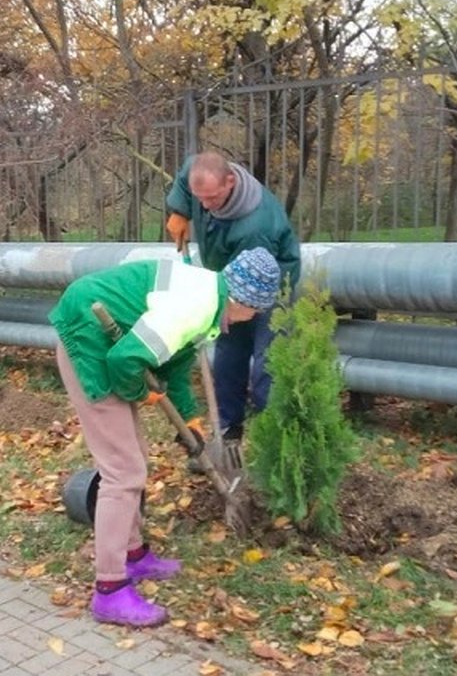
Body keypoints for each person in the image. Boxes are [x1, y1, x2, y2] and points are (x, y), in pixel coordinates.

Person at [49, 247, 282, 627]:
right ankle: (109, 590)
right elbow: (125, 361)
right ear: (241, 300)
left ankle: (134, 553)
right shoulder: (194, 305)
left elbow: (173, 363)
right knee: (123, 471)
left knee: (134, 454)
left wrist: (189, 419)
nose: (253, 318)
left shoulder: (208, 295)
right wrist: (142, 393)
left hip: (109, 337)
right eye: (255, 310)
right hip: (90, 341)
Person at [164, 151, 301, 461]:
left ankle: (274, 439)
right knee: (227, 350)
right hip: (230, 277)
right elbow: (187, 174)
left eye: (211, 198)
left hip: (268, 281)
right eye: (200, 198)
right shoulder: (201, 177)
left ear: (230, 181)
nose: (205, 206)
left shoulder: (255, 226)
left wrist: (220, 301)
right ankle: (229, 431)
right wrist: (179, 210)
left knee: (268, 363)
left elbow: (250, 281)